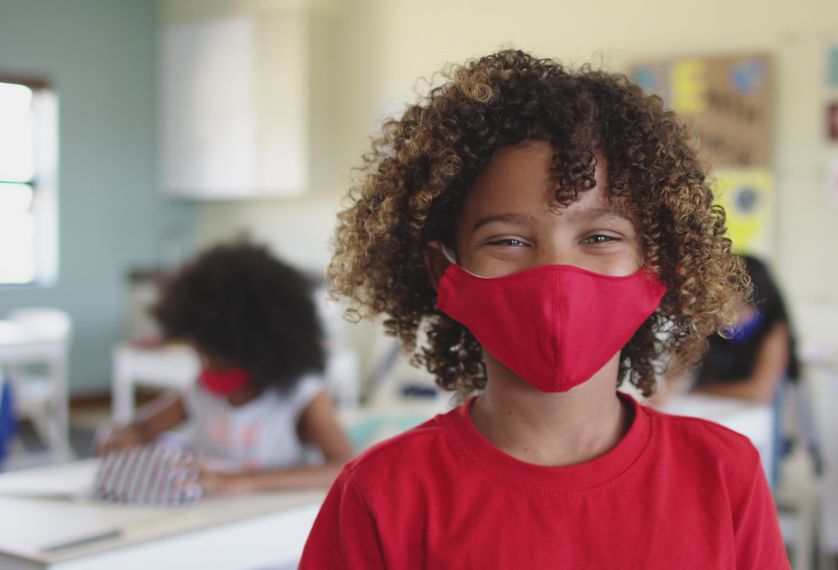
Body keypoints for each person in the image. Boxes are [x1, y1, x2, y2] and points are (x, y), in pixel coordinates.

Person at [300, 50, 788, 568]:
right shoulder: (380, 495)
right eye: (508, 241)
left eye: (599, 236)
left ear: (657, 264)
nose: (556, 274)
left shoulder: (724, 473)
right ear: (444, 270)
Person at [96, 241, 355, 495]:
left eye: (215, 357)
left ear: (254, 348)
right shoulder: (201, 391)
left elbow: (342, 469)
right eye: (200, 354)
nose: (206, 366)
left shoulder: (303, 395)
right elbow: (141, 428)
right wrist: (120, 437)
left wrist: (244, 481)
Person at [694, 255, 800, 404]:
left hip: (757, 417)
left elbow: (759, 392)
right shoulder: (713, 326)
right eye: (724, 303)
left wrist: (698, 391)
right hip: (718, 407)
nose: (728, 315)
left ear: (760, 300)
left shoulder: (774, 330)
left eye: (739, 304)